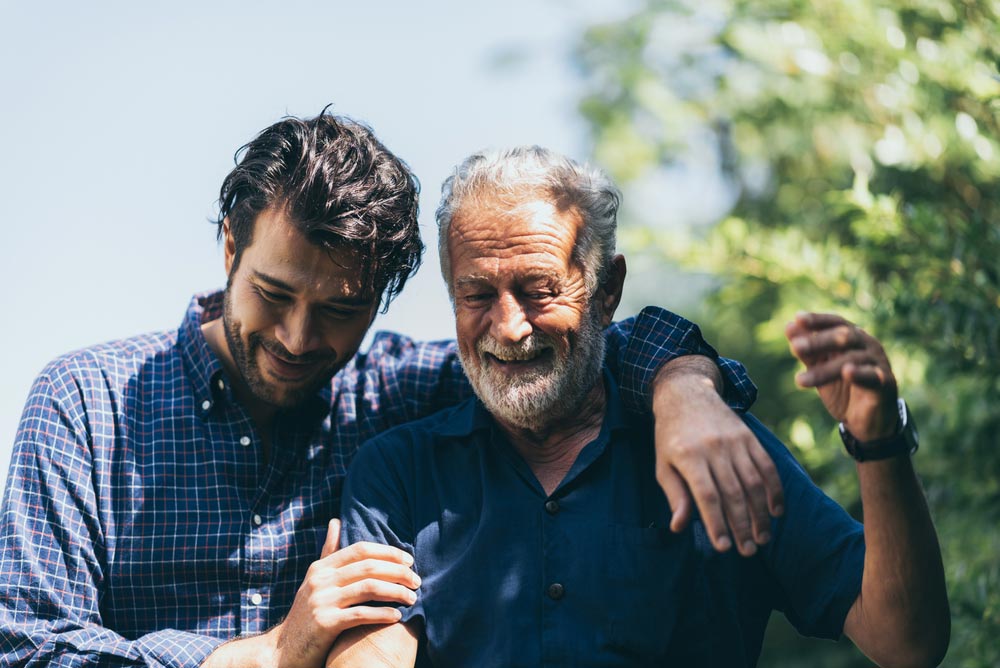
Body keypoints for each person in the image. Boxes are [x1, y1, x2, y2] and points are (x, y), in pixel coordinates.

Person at [0, 112, 780, 668]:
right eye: (274, 294)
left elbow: (573, 346)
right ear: (230, 245)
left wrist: (686, 389)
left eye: (340, 310)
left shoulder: (400, 394)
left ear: (383, 298)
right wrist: (269, 655)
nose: (300, 339)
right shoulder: (85, 405)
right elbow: (27, 647)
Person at [329, 146, 950, 667]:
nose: (509, 326)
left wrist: (879, 440)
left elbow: (907, 641)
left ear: (607, 291)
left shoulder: (716, 444)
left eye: (539, 290)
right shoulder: (397, 473)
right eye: (476, 294)